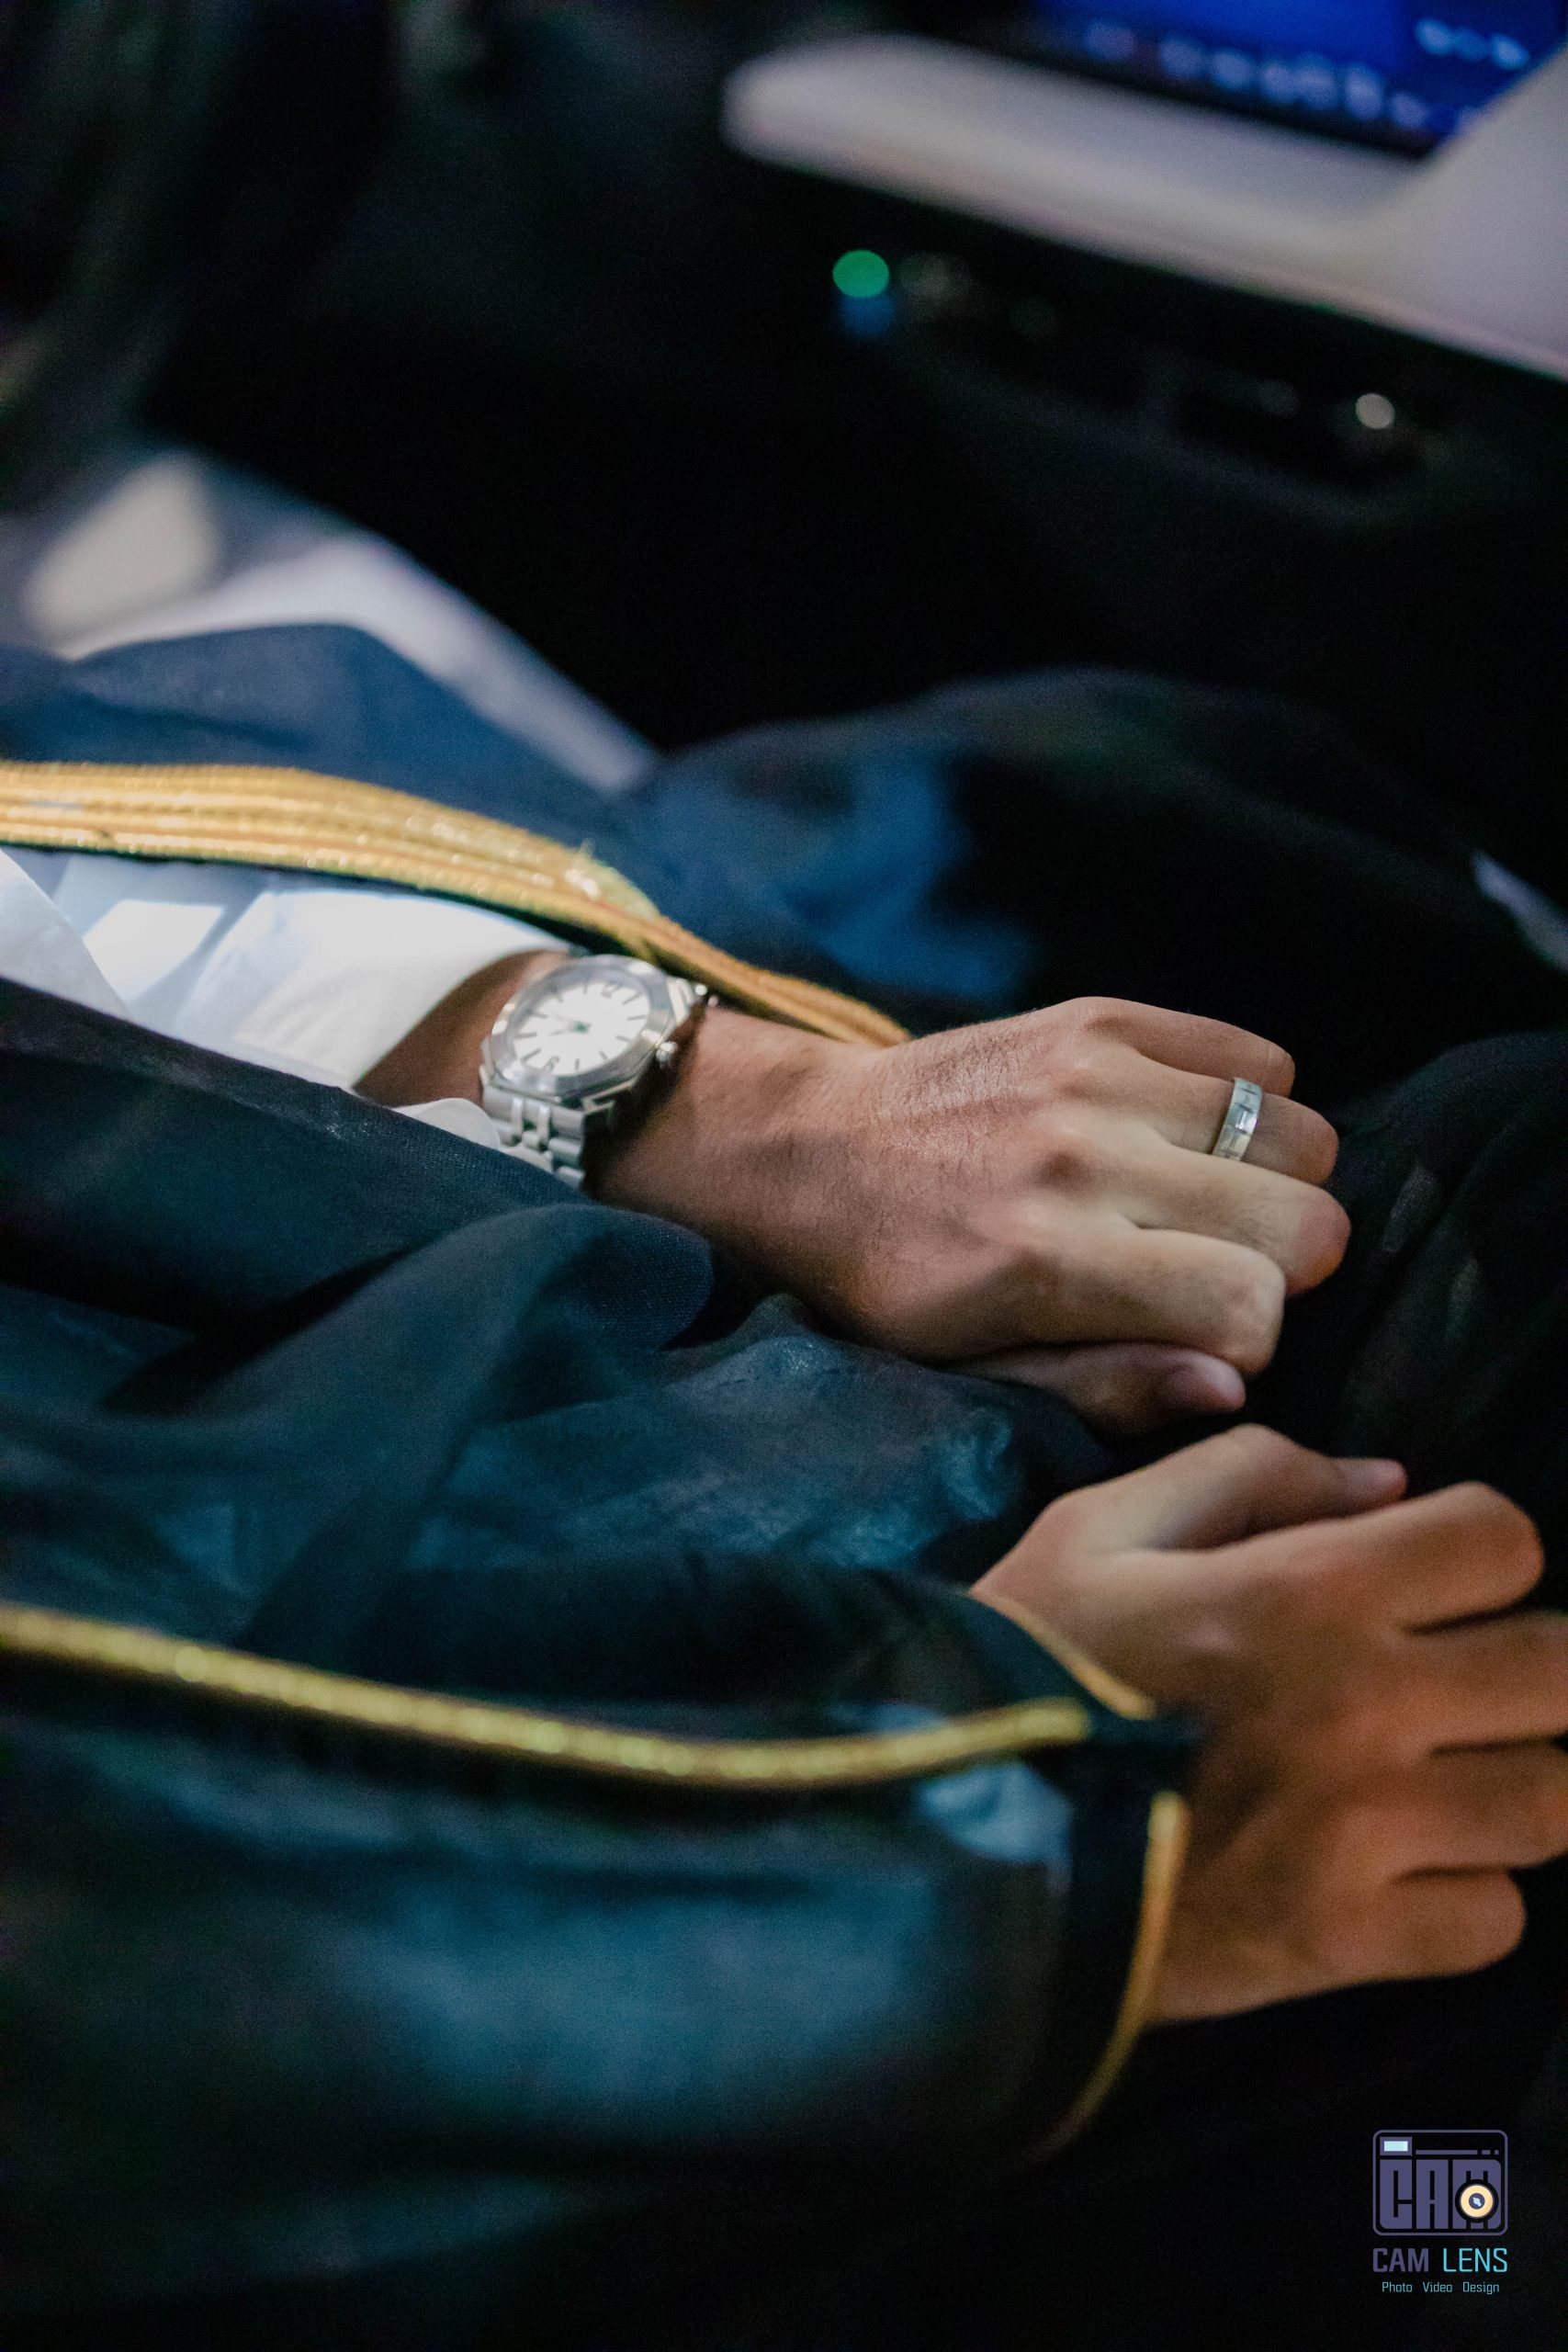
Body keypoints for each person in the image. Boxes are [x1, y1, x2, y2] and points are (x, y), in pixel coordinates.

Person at [3, 623, 1568, 2348]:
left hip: (463, 1307)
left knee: (1151, 830)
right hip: (561, 1915)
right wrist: (971, 1841)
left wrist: (687, 1097)